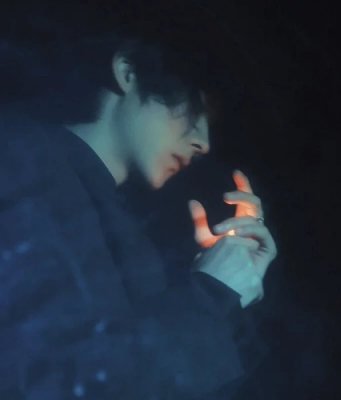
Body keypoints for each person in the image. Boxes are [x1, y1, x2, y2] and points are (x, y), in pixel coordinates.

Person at [0, 5, 277, 399]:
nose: (203, 142)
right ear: (128, 72)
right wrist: (209, 296)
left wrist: (232, 291)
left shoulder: (131, 236)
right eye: (195, 108)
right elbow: (50, 377)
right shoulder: (18, 160)